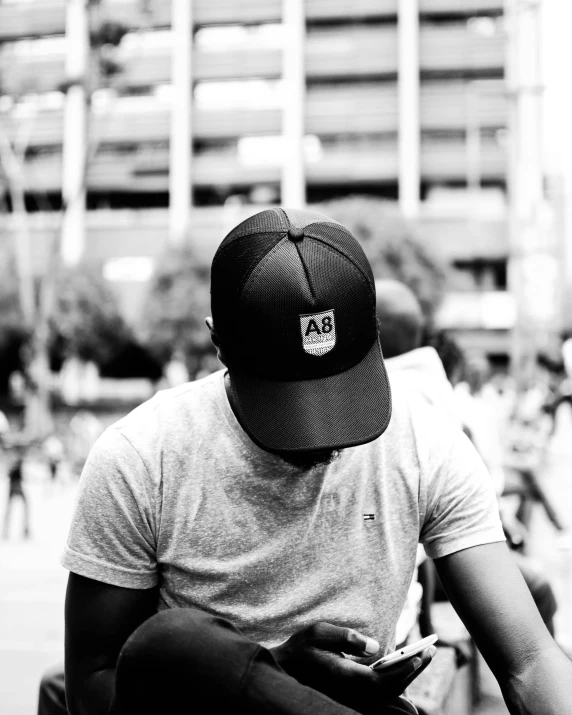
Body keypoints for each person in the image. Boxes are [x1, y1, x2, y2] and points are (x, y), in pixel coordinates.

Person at [61, 208, 572, 715]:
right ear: (219, 343)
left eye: (342, 394)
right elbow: (92, 682)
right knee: (174, 647)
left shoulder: (426, 443)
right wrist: (267, 676)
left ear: (373, 341)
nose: (321, 436)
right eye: (288, 406)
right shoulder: (141, 458)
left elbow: (528, 658)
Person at [376, 279, 559, 643]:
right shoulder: (426, 396)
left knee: (536, 589)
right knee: (537, 589)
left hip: (429, 562)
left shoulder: (404, 402)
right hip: (417, 576)